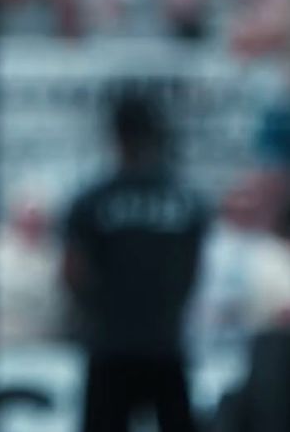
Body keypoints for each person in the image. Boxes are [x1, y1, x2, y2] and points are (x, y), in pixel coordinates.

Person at [63, 91, 209, 432]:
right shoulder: (185, 202)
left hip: (110, 346)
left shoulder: (93, 201)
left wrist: (95, 311)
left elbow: (73, 271)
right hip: (166, 346)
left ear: (115, 135)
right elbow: (193, 270)